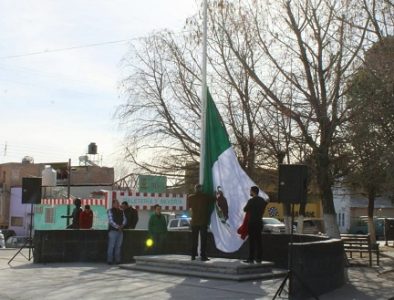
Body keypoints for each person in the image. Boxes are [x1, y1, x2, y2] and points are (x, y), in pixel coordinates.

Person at [188, 184, 214, 261]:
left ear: (195, 189)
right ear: (201, 189)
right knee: (203, 240)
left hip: (194, 222)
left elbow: (189, 207)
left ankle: (193, 255)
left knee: (194, 240)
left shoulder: (190, 197)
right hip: (203, 222)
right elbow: (214, 199)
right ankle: (203, 256)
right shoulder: (205, 197)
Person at [242, 186, 268, 263]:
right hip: (259, 222)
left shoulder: (251, 201)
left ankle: (251, 258)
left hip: (252, 223)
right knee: (259, 241)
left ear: (253, 192)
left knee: (252, 241)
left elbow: (245, 209)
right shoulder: (262, 201)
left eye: (250, 191)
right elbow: (264, 205)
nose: (250, 192)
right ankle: (259, 258)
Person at [107, 199, 127, 265]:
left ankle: (117, 260)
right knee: (111, 246)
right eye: (116, 203)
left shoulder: (121, 211)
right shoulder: (110, 211)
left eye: (118, 203)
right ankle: (110, 260)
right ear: (113, 204)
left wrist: (122, 225)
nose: (118, 204)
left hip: (120, 231)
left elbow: (124, 219)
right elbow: (111, 221)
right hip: (113, 231)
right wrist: (118, 227)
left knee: (118, 246)